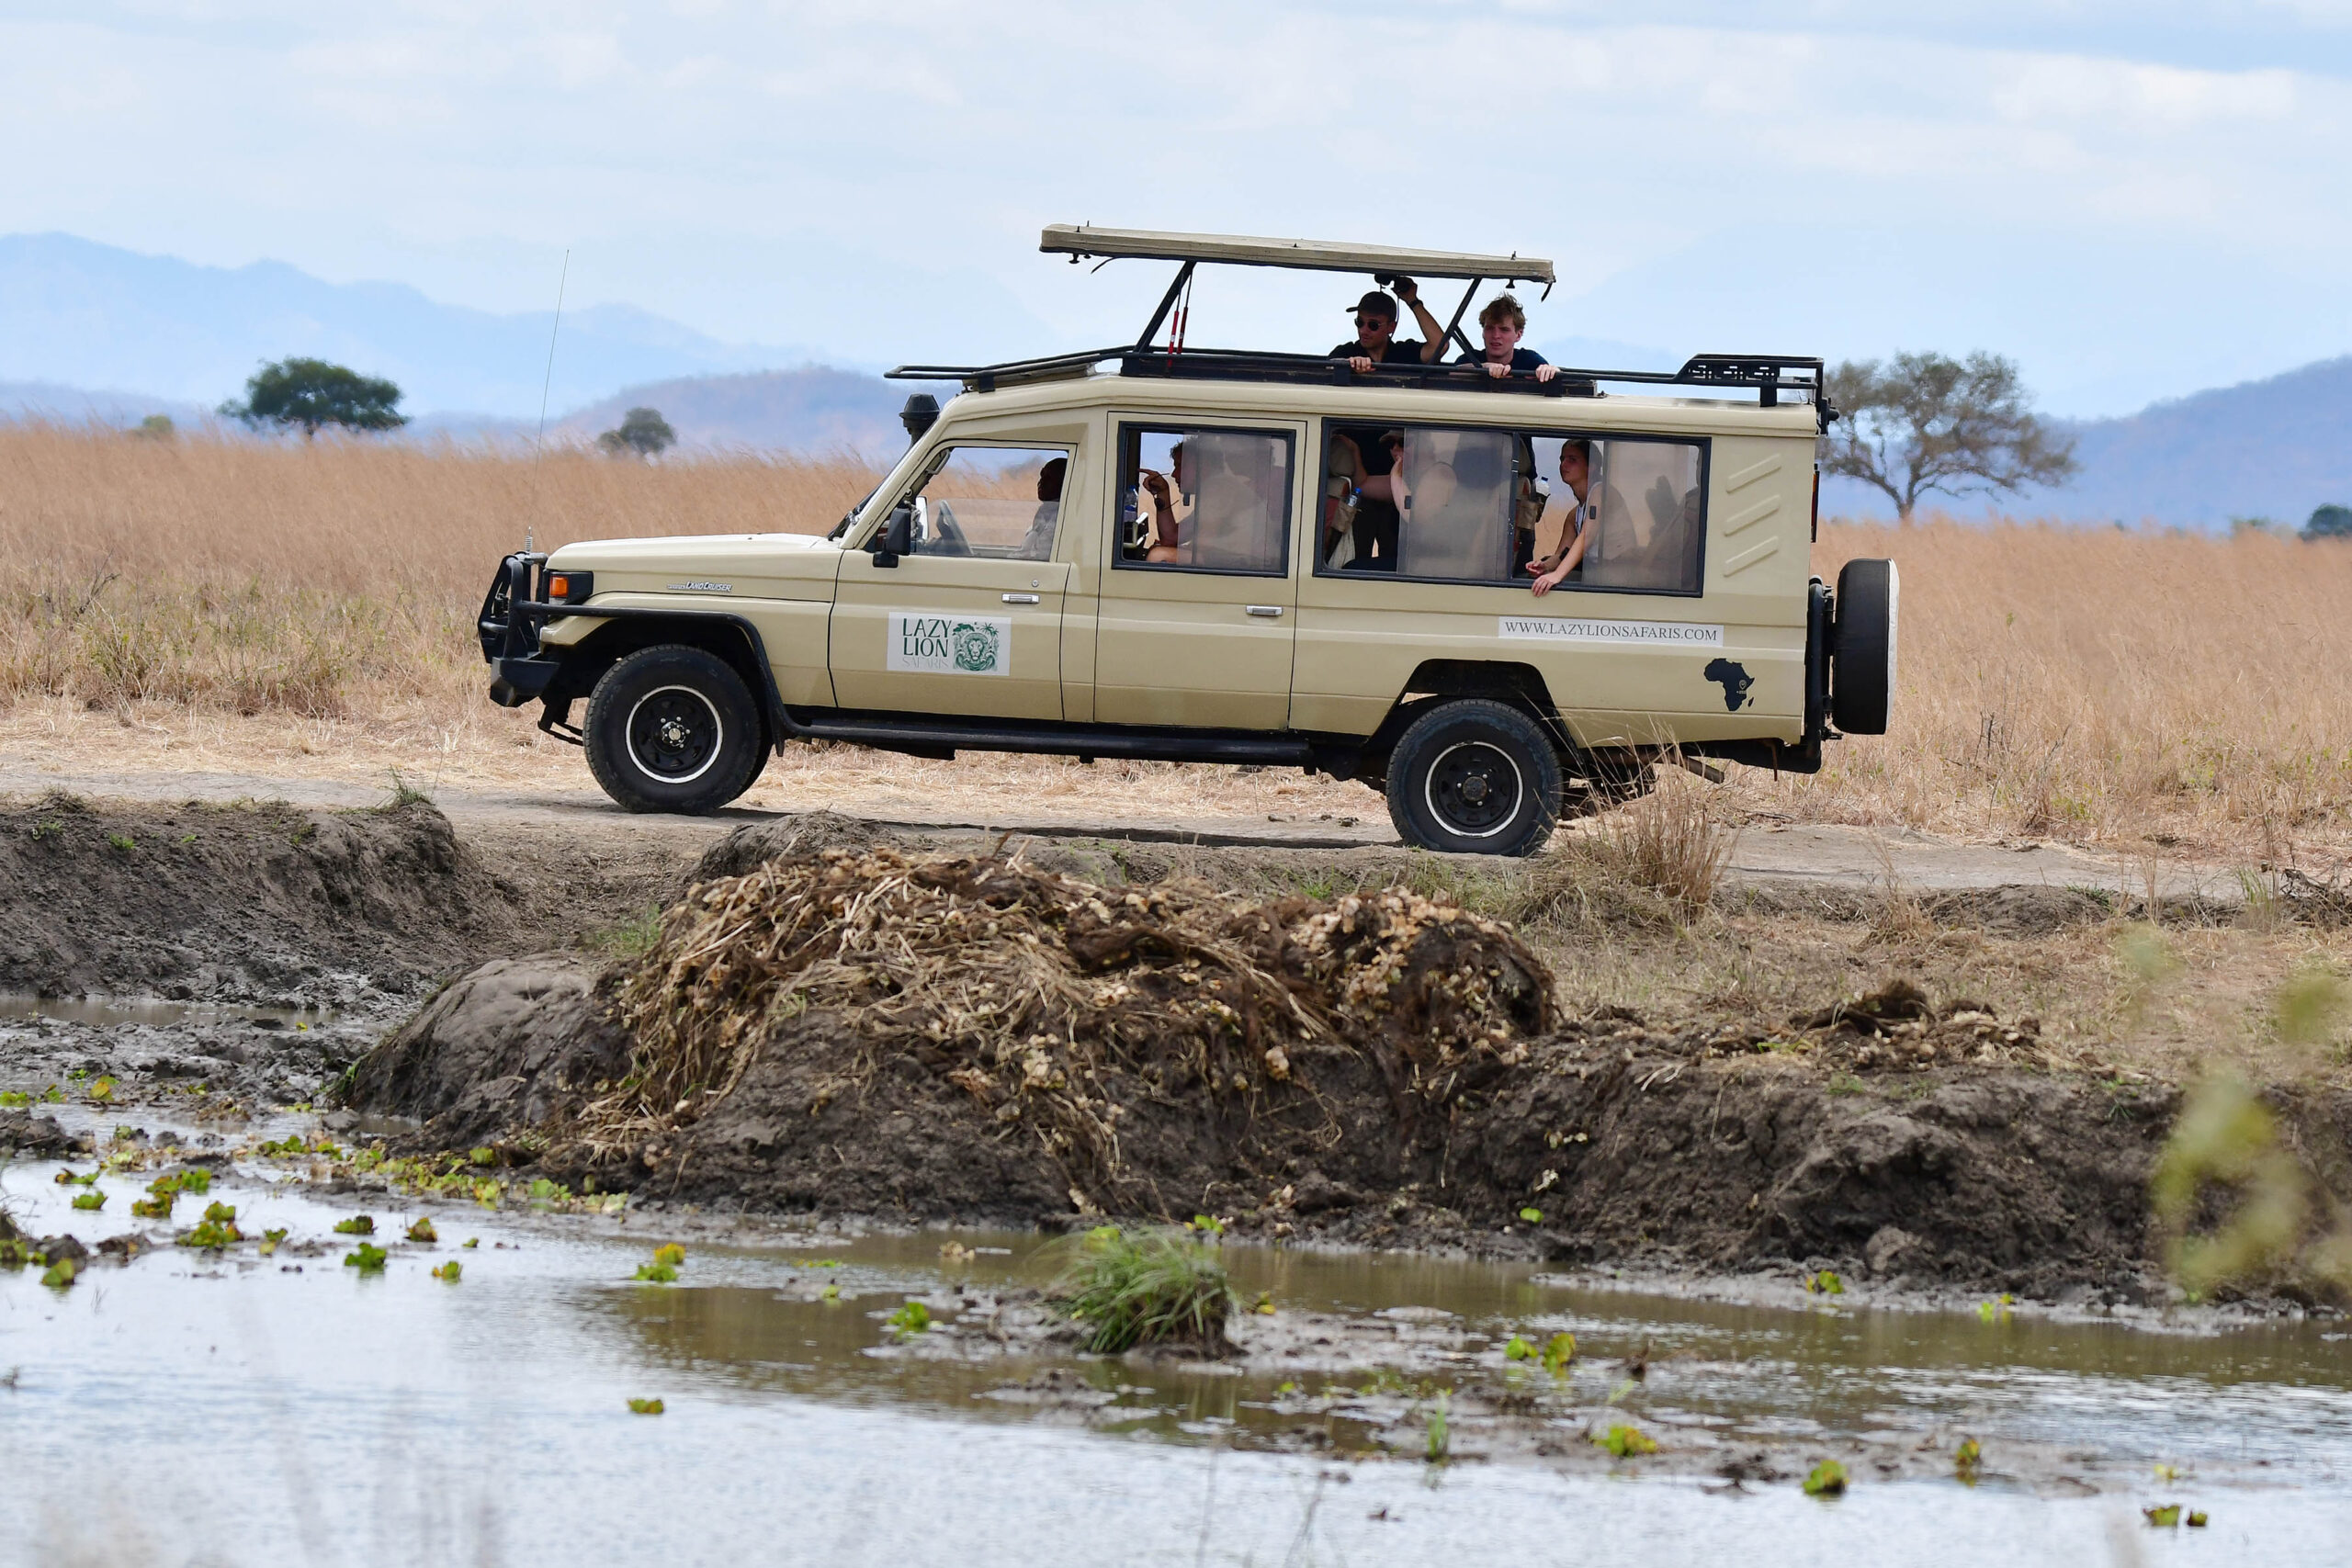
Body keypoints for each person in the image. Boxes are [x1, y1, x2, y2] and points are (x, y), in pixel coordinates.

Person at [1529, 439, 1606, 595]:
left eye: (1572, 460)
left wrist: (1557, 575)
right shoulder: (1574, 514)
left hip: (1613, 574)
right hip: (1594, 572)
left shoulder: (1601, 493)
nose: (1563, 465)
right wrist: (1543, 567)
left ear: (1591, 466)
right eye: (1562, 459)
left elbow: (1587, 536)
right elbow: (1561, 555)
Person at [1329, 278, 1447, 374]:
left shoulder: (1404, 353)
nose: (1363, 330)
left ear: (1391, 327)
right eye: (1359, 322)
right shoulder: (1347, 351)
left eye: (1373, 325)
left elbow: (1440, 346)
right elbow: (1328, 366)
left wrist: (1413, 301)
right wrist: (1349, 364)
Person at [1456, 294, 1556, 382]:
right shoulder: (1470, 358)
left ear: (1518, 335)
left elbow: (1556, 377)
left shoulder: (1528, 359)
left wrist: (1550, 371)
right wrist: (1483, 367)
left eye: (1504, 330)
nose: (1496, 335)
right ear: (1483, 332)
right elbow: (1452, 372)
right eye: (1490, 328)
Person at [1013, 456, 1065, 560]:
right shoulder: (1046, 511)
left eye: (1049, 478)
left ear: (1063, 483)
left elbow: (1043, 556)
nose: (1040, 482)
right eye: (1042, 476)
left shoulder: (1063, 517)